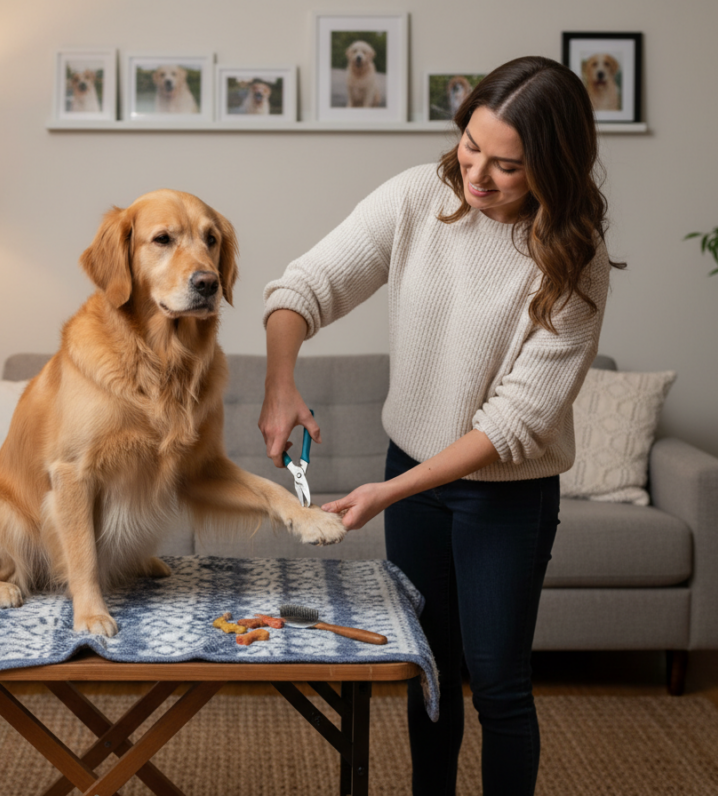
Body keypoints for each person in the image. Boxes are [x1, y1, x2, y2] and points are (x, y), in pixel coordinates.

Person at [258, 55, 624, 795]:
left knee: (496, 685)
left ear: (553, 167)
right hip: (411, 471)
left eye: (508, 166)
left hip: (505, 493)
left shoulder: (575, 262)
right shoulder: (421, 197)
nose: (478, 178)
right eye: (469, 148)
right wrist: (280, 382)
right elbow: (309, 282)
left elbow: (515, 421)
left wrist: (387, 495)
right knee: (428, 670)